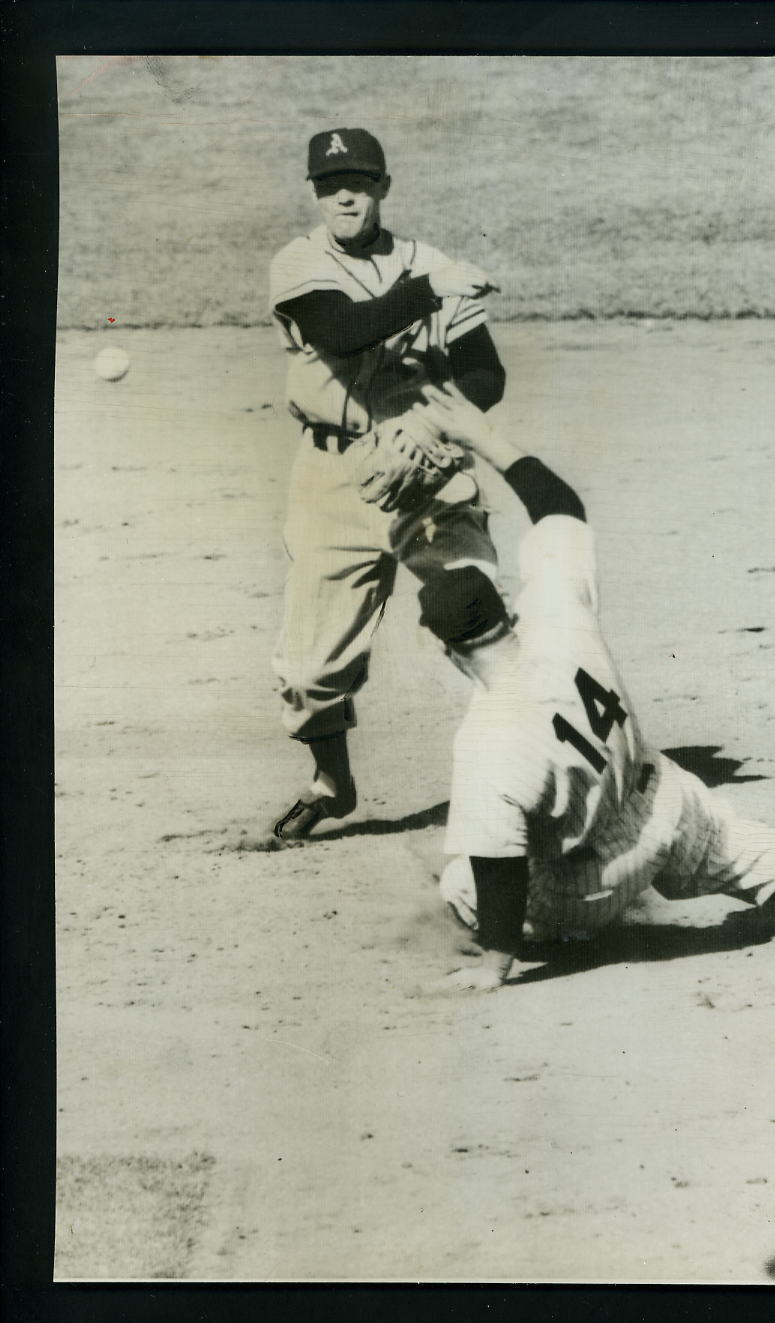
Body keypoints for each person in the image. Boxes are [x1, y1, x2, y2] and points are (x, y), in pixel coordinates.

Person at [410, 384, 775, 991]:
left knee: (462, 882)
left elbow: (498, 869)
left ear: (447, 649)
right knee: (745, 846)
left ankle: (551, 943)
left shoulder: (487, 741)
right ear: (507, 613)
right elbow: (560, 506)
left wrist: (494, 964)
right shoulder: (554, 615)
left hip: (583, 888)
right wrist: (482, 439)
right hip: (664, 811)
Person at [267, 128, 507, 841]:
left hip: (424, 469)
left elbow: (486, 373)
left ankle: (533, 769)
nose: (345, 194)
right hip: (333, 478)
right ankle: (332, 783)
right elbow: (342, 330)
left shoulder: (427, 262)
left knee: (484, 621)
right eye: (330, 183)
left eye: (361, 181)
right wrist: (430, 290)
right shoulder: (300, 262)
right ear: (315, 192)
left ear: (383, 187)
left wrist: (432, 426)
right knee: (309, 670)